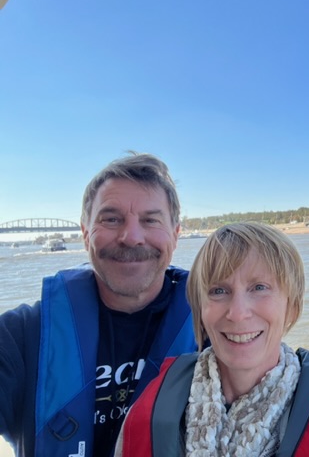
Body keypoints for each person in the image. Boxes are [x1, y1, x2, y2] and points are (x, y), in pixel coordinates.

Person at [0, 153, 198, 457]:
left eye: (150, 220)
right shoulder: (21, 337)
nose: (131, 237)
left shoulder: (215, 328)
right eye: (111, 219)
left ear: (175, 234)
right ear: (85, 234)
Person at [115, 222, 309, 456]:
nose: (237, 313)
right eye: (219, 291)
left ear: (291, 306)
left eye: (259, 287)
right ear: (200, 311)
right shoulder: (149, 410)